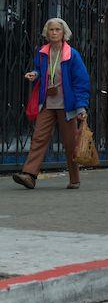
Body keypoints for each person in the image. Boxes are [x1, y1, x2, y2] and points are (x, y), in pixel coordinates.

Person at [12, 18, 91, 189]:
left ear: (64, 33)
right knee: (38, 138)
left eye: (57, 30)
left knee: (70, 144)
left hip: (67, 106)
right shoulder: (42, 52)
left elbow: (82, 82)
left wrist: (81, 106)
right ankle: (30, 175)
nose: (54, 32)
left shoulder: (72, 55)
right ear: (46, 33)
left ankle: (74, 178)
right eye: (51, 30)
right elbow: (40, 70)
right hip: (47, 103)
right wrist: (35, 74)